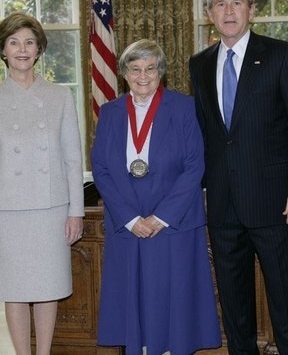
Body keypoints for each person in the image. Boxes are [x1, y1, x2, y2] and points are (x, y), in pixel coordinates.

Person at [189, 0, 288, 354]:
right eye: (220, 4)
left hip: (275, 203)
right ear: (209, 13)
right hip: (223, 207)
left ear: (251, 9)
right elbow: (204, 134)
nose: (228, 11)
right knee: (234, 308)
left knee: (286, 305)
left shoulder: (281, 55)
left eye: (236, 3)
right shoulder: (199, 65)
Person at [91, 39, 222, 354]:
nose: (143, 75)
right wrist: (131, 219)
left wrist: (161, 217)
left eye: (150, 68)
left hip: (172, 224)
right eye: (135, 69)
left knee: (171, 299)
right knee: (133, 299)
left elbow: (195, 166)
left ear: (161, 72)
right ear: (124, 73)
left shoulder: (185, 107)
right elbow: (101, 169)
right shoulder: (109, 113)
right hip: (128, 224)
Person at [0, 11, 84, 355]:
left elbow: (72, 159)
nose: (22, 49)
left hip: (52, 211)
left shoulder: (60, 96)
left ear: (39, 50)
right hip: (7, 213)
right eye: (14, 42)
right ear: (3, 50)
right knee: (14, 289)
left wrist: (75, 211)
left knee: (47, 287)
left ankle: (44, 351)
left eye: (30, 42)